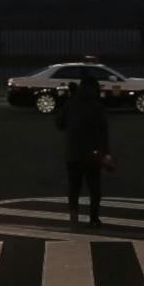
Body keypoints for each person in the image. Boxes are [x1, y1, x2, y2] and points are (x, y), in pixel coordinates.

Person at [56, 74, 110, 228]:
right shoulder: (97, 106)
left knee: (74, 187)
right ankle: (94, 218)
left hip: (73, 152)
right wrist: (105, 153)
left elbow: (59, 123)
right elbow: (103, 132)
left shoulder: (71, 103)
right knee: (94, 188)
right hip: (92, 153)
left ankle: (74, 216)